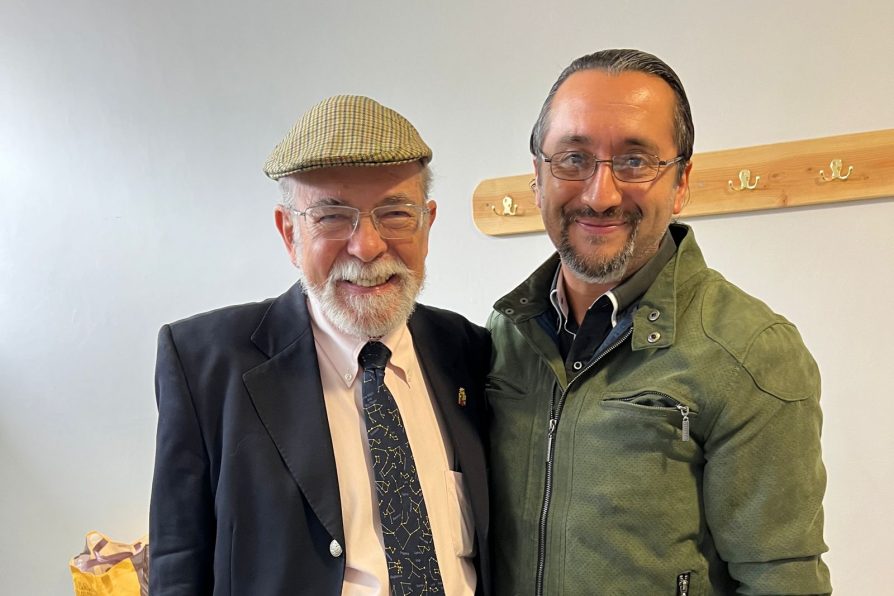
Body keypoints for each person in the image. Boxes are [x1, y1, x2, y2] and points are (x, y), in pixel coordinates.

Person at [487, 50, 831, 595]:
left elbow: (782, 580)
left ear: (682, 181)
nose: (600, 195)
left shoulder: (750, 351)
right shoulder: (505, 334)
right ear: (537, 177)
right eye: (573, 158)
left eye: (634, 161)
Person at [150, 95, 491, 595]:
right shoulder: (204, 363)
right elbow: (179, 561)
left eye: (395, 213)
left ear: (428, 223)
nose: (367, 246)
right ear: (289, 232)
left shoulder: (468, 351)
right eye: (332, 217)